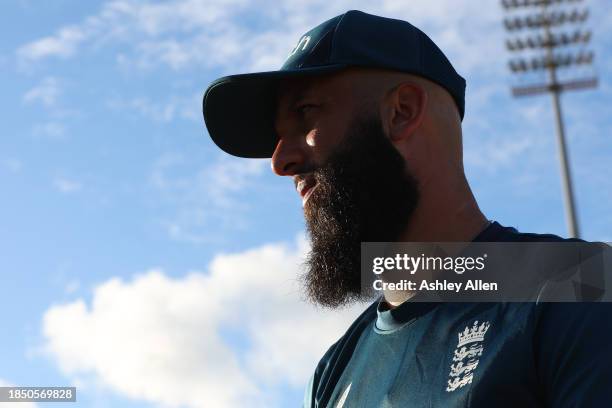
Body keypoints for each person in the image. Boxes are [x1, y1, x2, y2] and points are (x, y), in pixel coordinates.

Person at [203, 10, 612, 408]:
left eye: (305, 113)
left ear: (401, 112)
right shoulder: (332, 372)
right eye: (278, 136)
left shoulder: (582, 286)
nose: (280, 162)